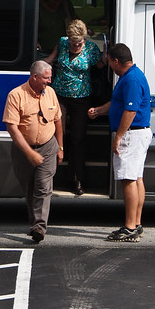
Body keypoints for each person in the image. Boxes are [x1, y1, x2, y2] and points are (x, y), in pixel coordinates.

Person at [87, 43, 152, 242]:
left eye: (109, 59)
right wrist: (98, 110)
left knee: (129, 180)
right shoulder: (130, 76)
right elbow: (117, 104)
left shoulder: (131, 79)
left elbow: (130, 111)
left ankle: (130, 226)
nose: (107, 63)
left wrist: (119, 137)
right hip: (137, 134)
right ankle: (136, 223)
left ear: (116, 61)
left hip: (132, 134)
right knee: (137, 178)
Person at [3, 60, 64, 243]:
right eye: (46, 78)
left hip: (48, 146)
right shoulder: (16, 95)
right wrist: (29, 153)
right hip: (23, 149)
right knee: (29, 188)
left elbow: (58, 121)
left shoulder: (51, 93)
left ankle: (39, 226)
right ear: (34, 77)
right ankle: (34, 222)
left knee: (43, 187)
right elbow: (12, 128)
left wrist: (60, 147)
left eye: (50, 78)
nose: (49, 82)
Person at [44, 19, 104, 195]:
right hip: (59, 95)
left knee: (78, 138)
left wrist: (106, 54)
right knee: (55, 133)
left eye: (79, 42)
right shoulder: (62, 42)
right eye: (73, 42)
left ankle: (77, 179)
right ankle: (48, 177)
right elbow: (50, 59)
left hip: (81, 97)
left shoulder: (91, 48)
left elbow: (100, 65)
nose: (76, 45)